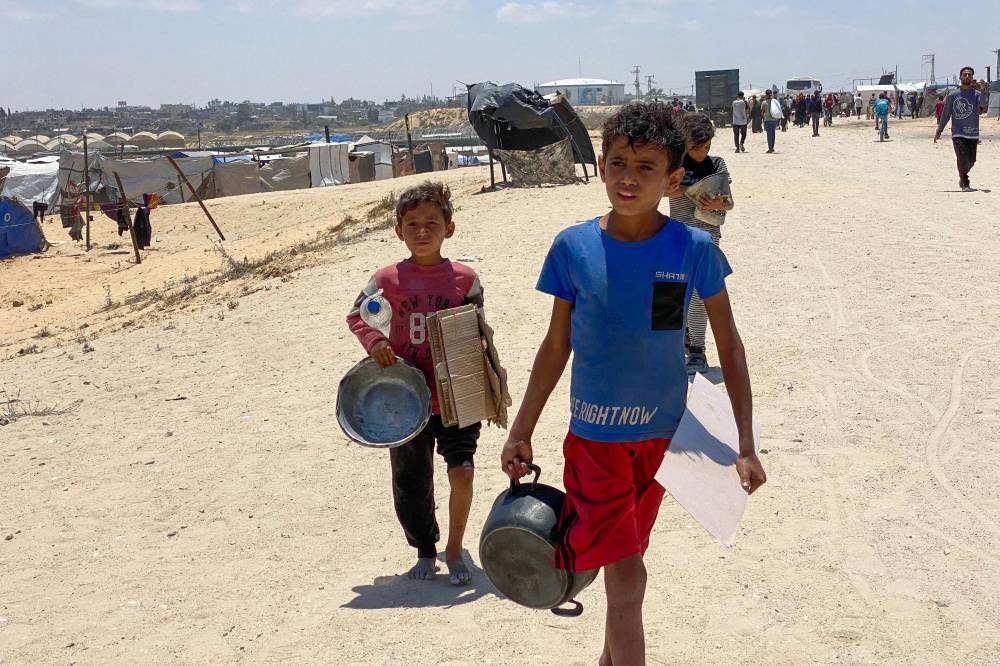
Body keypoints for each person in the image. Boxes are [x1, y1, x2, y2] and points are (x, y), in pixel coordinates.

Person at [500, 101, 766, 666]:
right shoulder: (572, 247)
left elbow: (729, 345)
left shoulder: (694, 250)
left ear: (673, 180)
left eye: (647, 167)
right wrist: (521, 428)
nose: (629, 178)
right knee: (626, 573)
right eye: (618, 162)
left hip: (664, 444)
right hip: (595, 442)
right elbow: (555, 346)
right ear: (600, 165)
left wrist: (745, 444)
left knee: (627, 562)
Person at [347, 181, 484, 585]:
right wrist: (376, 343)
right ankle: (426, 548)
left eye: (432, 223)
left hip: (456, 394)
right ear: (398, 230)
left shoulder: (465, 279)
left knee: (463, 472)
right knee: (411, 481)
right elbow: (358, 315)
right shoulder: (386, 280)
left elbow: (478, 329)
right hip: (405, 398)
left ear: (449, 228)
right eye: (412, 224)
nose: (422, 232)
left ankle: (456, 549)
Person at [667, 113, 735, 374]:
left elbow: (729, 202)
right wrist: (691, 190)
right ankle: (678, 341)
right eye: (697, 147)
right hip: (678, 236)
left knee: (698, 296)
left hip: (708, 237)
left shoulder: (717, 164)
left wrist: (720, 203)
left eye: (706, 146)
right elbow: (663, 190)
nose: (702, 152)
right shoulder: (675, 165)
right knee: (673, 293)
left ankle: (697, 350)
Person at [934, 66, 982, 192]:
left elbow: (983, 107)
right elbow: (946, 113)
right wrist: (939, 130)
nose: (967, 76)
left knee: (972, 160)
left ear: (972, 78)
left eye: (970, 75)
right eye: (965, 74)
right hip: (958, 132)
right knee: (962, 157)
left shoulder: (977, 94)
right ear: (960, 77)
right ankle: (965, 182)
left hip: (972, 133)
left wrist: (983, 90)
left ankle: (962, 177)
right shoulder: (953, 95)